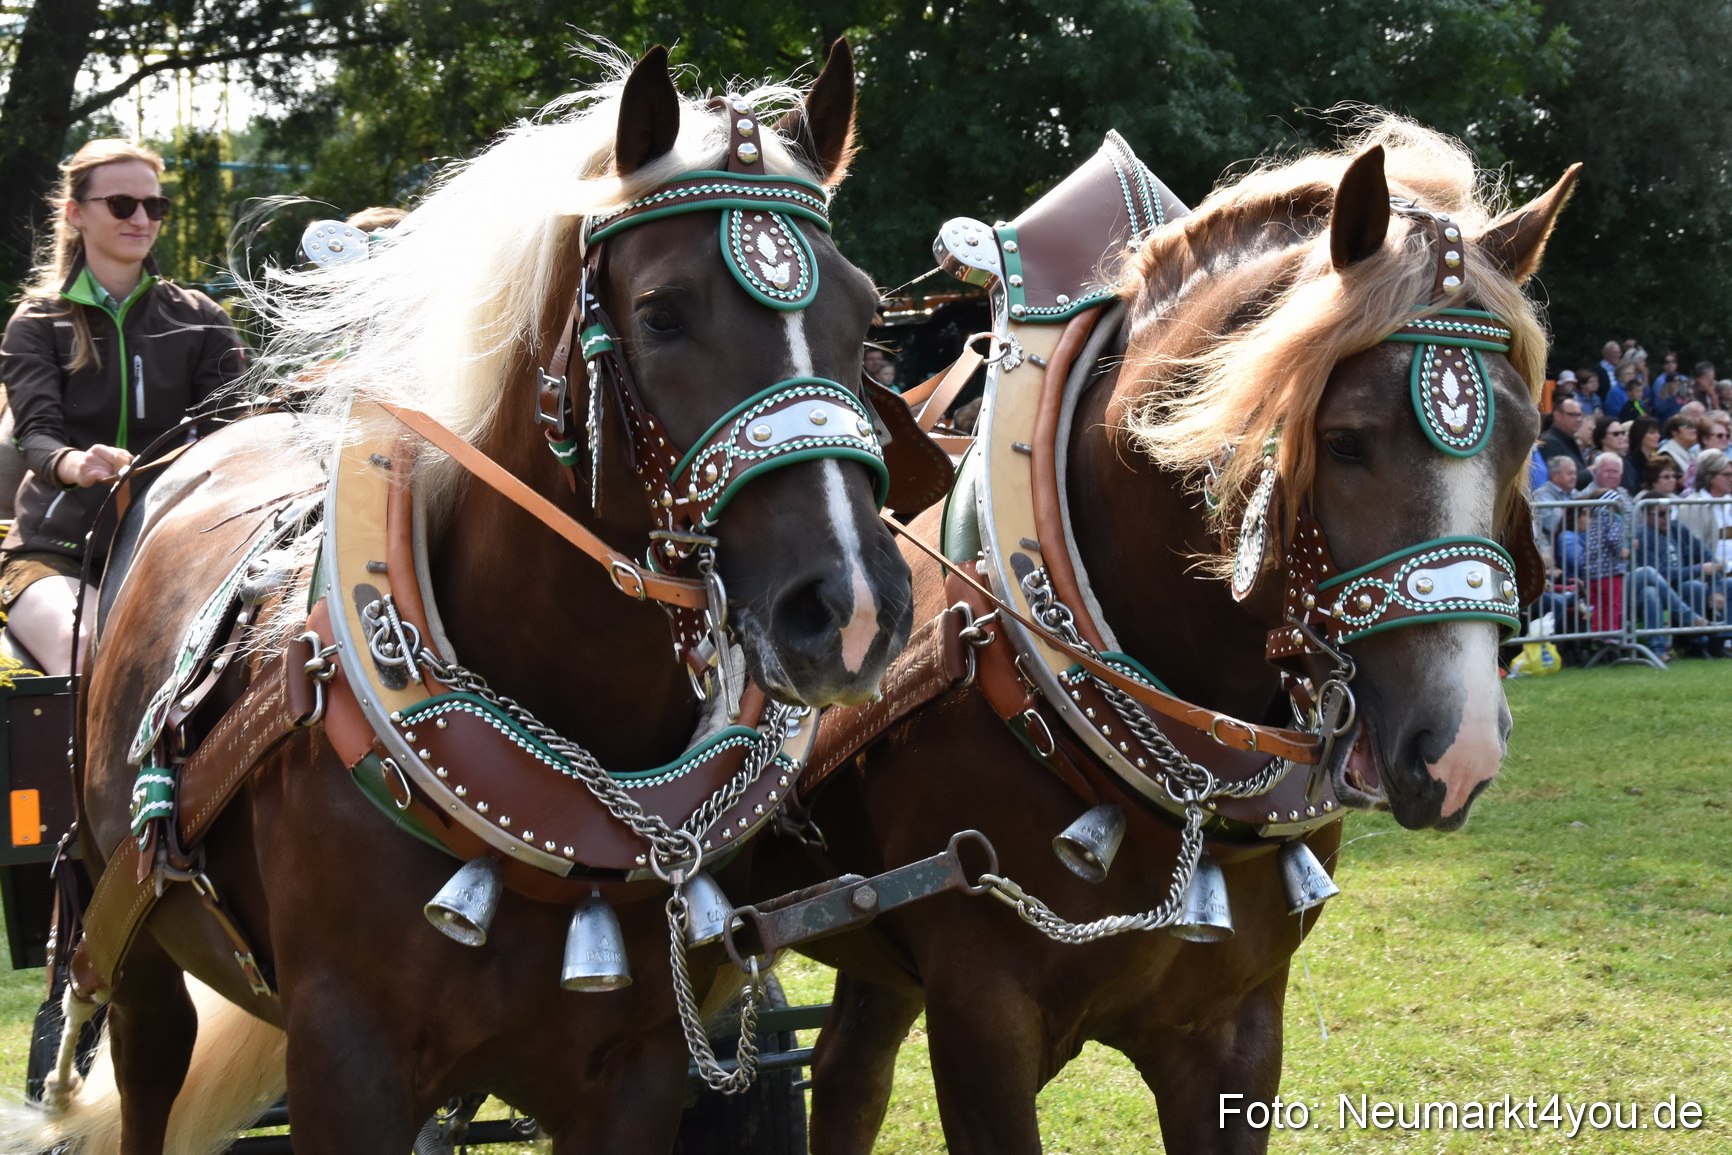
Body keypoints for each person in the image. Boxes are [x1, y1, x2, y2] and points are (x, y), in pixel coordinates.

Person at [0, 139, 245, 674]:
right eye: (121, 204)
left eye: (154, 206)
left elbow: (233, 430)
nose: (141, 219)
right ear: (76, 213)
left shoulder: (201, 317)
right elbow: (35, 434)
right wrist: (74, 463)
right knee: (88, 651)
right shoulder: (37, 322)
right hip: (55, 551)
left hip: (175, 548)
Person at [1540, 395, 1588, 475]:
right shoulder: (1549, 442)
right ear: (1557, 415)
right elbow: (1560, 478)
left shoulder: (1570, 438)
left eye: (1580, 415)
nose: (1579, 419)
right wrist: (1590, 473)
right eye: (1572, 415)